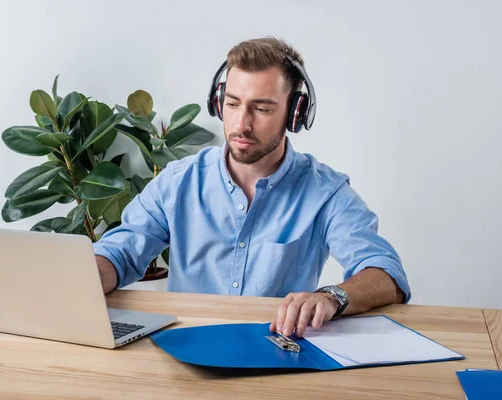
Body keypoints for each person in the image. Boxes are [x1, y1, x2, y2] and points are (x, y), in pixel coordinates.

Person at [93, 37, 410, 338]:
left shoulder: (326, 193)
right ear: (219, 104)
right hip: (186, 350)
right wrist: (87, 276)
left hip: (275, 353)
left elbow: (387, 275)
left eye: (262, 109)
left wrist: (331, 297)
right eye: (232, 104)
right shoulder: (178, 182)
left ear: (295, 113)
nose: (241, 124)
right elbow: (117, 255)